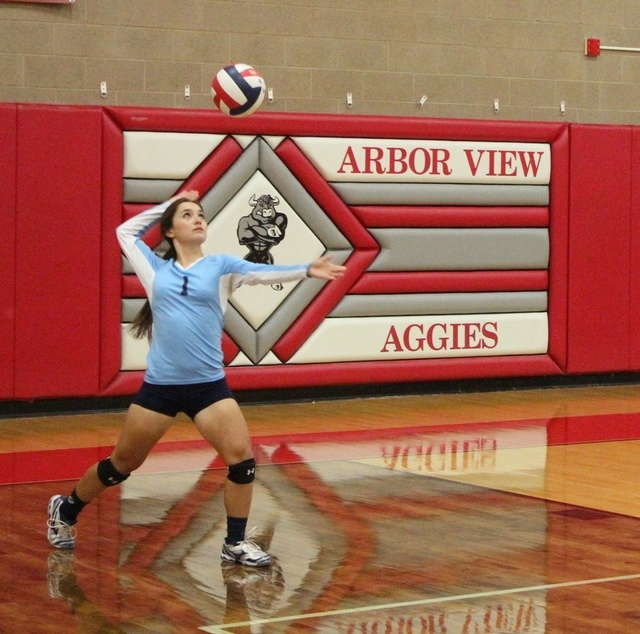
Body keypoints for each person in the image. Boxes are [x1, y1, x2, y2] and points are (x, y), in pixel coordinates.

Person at [46, 190, 346, 567]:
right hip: (160, 389)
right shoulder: (155, 270)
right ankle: (67, 509)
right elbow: (125, 232)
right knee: (121, 465)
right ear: (170, 230)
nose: (197, 218)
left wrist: (306, 269)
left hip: (208, 387)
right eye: (187, 215)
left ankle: (234, 543)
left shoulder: (220, 266)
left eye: (200, 214)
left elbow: (260, 274)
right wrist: (168, 204)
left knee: (242, 462)